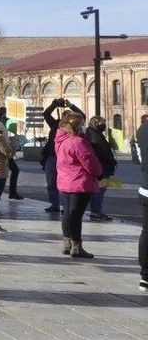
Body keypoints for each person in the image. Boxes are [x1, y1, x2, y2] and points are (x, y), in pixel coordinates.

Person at [55, 110, 102, 259]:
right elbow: (89, 162)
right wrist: (98, 172)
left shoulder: (61, 140)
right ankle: (76, 246)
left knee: (68, 214)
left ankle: (67, 243)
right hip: (80, 182)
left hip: (66, 181)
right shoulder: (78, 142)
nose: (84, 126)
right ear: (77, 126)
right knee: (76, 215)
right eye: (82, 124)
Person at [41, 98, 82, 213]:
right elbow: (46, 114)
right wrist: (54, 105)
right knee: (51, 182)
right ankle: (54, 204)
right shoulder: (56, 125)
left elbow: (82, 115)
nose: (66, 118)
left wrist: (71, 106)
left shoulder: (74, 128)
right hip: (52, 156)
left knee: (66, 182)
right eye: (65, 116)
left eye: (68, 116)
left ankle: (66, 205)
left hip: (66, 158)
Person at [83, 116, 117, 221]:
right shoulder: (95, 135)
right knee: (100, 190)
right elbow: (102, 153)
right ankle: (96, 211)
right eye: (102, 123)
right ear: (96, 123)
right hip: (103, 167)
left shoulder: (94, 133)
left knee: (98, 190)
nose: (104, 125)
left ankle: (96, 211)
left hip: (101, 166)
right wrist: (113, 161)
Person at [0, 106, 24, 199]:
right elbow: (12, 138)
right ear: (5, 112)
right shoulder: (10, 122)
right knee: (15, 170)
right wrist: (13, 151)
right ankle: (12, 192)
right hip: (5, 151)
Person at [135, 114, 148, 292]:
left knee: (146, 231)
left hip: (146, 188)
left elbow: (140, 158)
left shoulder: (142, 129)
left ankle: (145, 276)